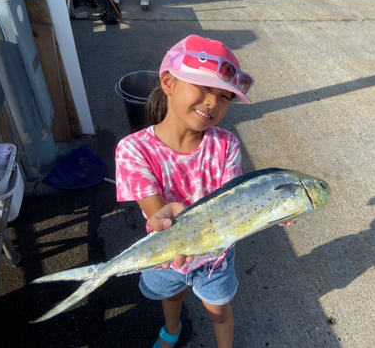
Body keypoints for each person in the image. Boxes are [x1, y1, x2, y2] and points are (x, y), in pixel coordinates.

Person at [115, 34, 291, 348]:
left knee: (219, 311)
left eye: (225, 96)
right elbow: (157, 212)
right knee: (172, 296)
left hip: (216, 259)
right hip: (168, 254)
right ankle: (171, 330)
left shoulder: (227, 145)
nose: (213, 102)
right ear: (168, 82)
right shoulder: (132, 150)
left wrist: (270, 208)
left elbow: (234, 203)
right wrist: (164, 220)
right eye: (204, 87)